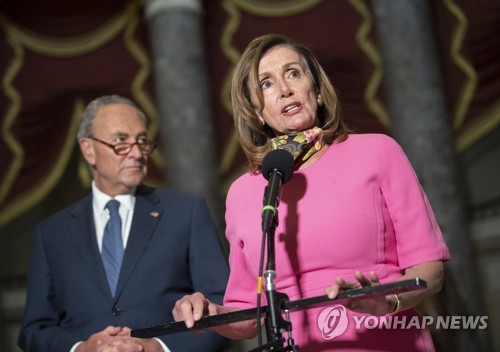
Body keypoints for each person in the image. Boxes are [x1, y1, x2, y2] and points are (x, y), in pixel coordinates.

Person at [172, 34, 451, 351]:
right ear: (257, 112)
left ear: (316, 90)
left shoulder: (379, 152)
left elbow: (430, 268)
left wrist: (389, 301)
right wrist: (209, 313)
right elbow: (247, 316)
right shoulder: (242, 192)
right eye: (266, 83)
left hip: (385, 339)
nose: (284, 89)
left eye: (293, 73)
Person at [18, 95, 230, 352]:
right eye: (121, 142)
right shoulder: (51, 234)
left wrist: (157, 346)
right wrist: (81, 348)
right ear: (88, 149)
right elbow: (34, 330)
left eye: (141, 141)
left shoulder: (186, 212)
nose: (137, 153)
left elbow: (223, 307)